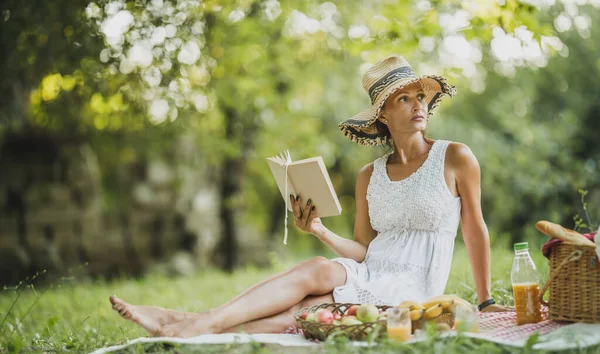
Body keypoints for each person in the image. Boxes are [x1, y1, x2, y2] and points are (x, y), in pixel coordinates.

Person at [110, 55, 511, 338]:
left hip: (414, 287)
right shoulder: (368, 176)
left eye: (419, 96)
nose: (417, 105)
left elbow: (474, 228)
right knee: (309, 292)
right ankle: (190, 325)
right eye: (403, 99)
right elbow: (363, 250)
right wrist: (318, 229)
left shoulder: (455, 157)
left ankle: (188, 322)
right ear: (383, 115)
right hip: (372, 273)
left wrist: (487, 298)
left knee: (300, 309)